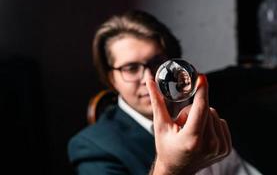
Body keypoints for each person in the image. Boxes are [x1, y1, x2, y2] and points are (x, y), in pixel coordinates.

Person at [68, 10, 262, 175]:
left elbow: (242, 75)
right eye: (130, 68)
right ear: (112, 79)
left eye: (157, 63)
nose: (148, 79)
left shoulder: (206, 93)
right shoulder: (92, 147)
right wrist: (169, 168)